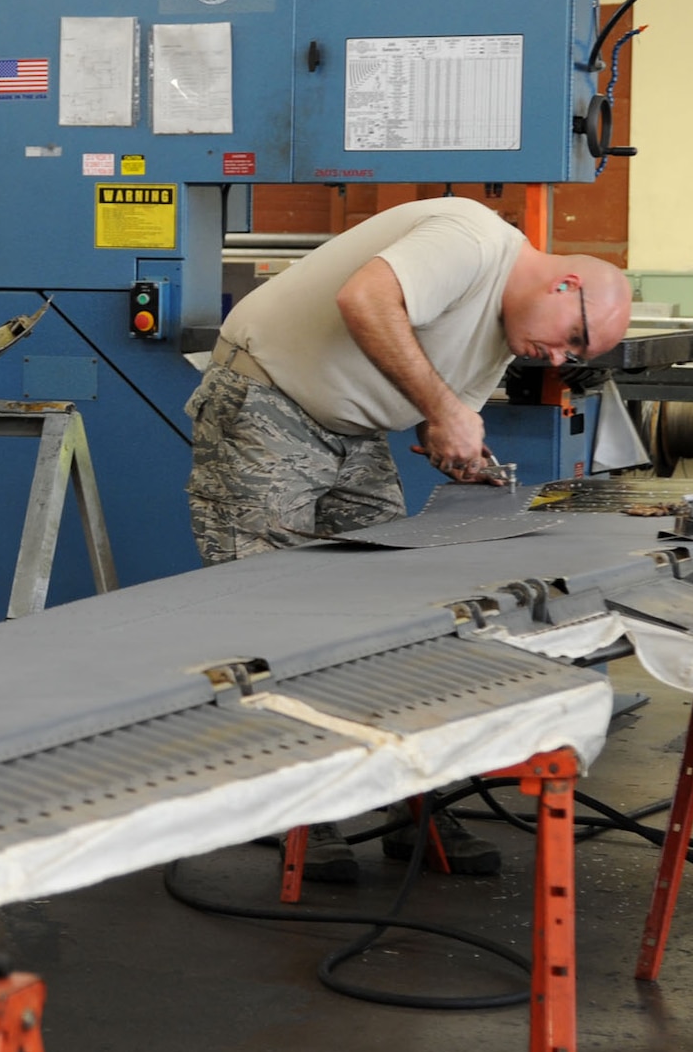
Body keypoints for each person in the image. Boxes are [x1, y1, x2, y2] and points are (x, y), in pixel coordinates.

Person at [184, 196, 632, 881]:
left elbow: (435, 414)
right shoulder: (473, 238)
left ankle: (409, 795)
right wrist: (443, 409)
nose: (557, 356)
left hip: (354, 430)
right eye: (571, 338)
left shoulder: (506, 336)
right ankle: (301, 813)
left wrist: (452, 443)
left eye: (575, 354)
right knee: (266, 612)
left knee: (398, 606)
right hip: (269, 400)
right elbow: (364, 298)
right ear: (564, 285)